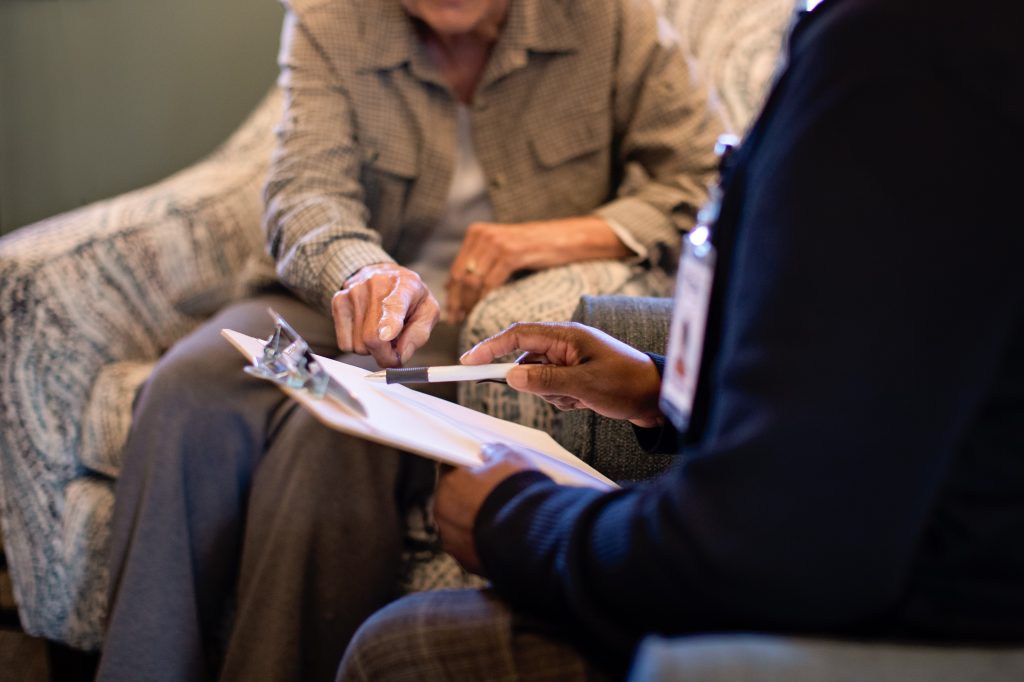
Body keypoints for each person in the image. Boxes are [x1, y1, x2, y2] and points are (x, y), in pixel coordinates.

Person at [337, 0, 1024, 679]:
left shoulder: (907, 56)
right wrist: (664, 391)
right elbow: (883, 380)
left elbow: (768, 545)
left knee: (400, 651)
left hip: (929, 618)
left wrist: (515, 522)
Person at [97, 0, 724, 680]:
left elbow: (697, 177)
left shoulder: (608, 18)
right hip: (334, 290)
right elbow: (304, 189)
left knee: (337, 433)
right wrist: (363, 272)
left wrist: (551, 238)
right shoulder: (330, 18)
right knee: (187, 388)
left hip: (475, 324)